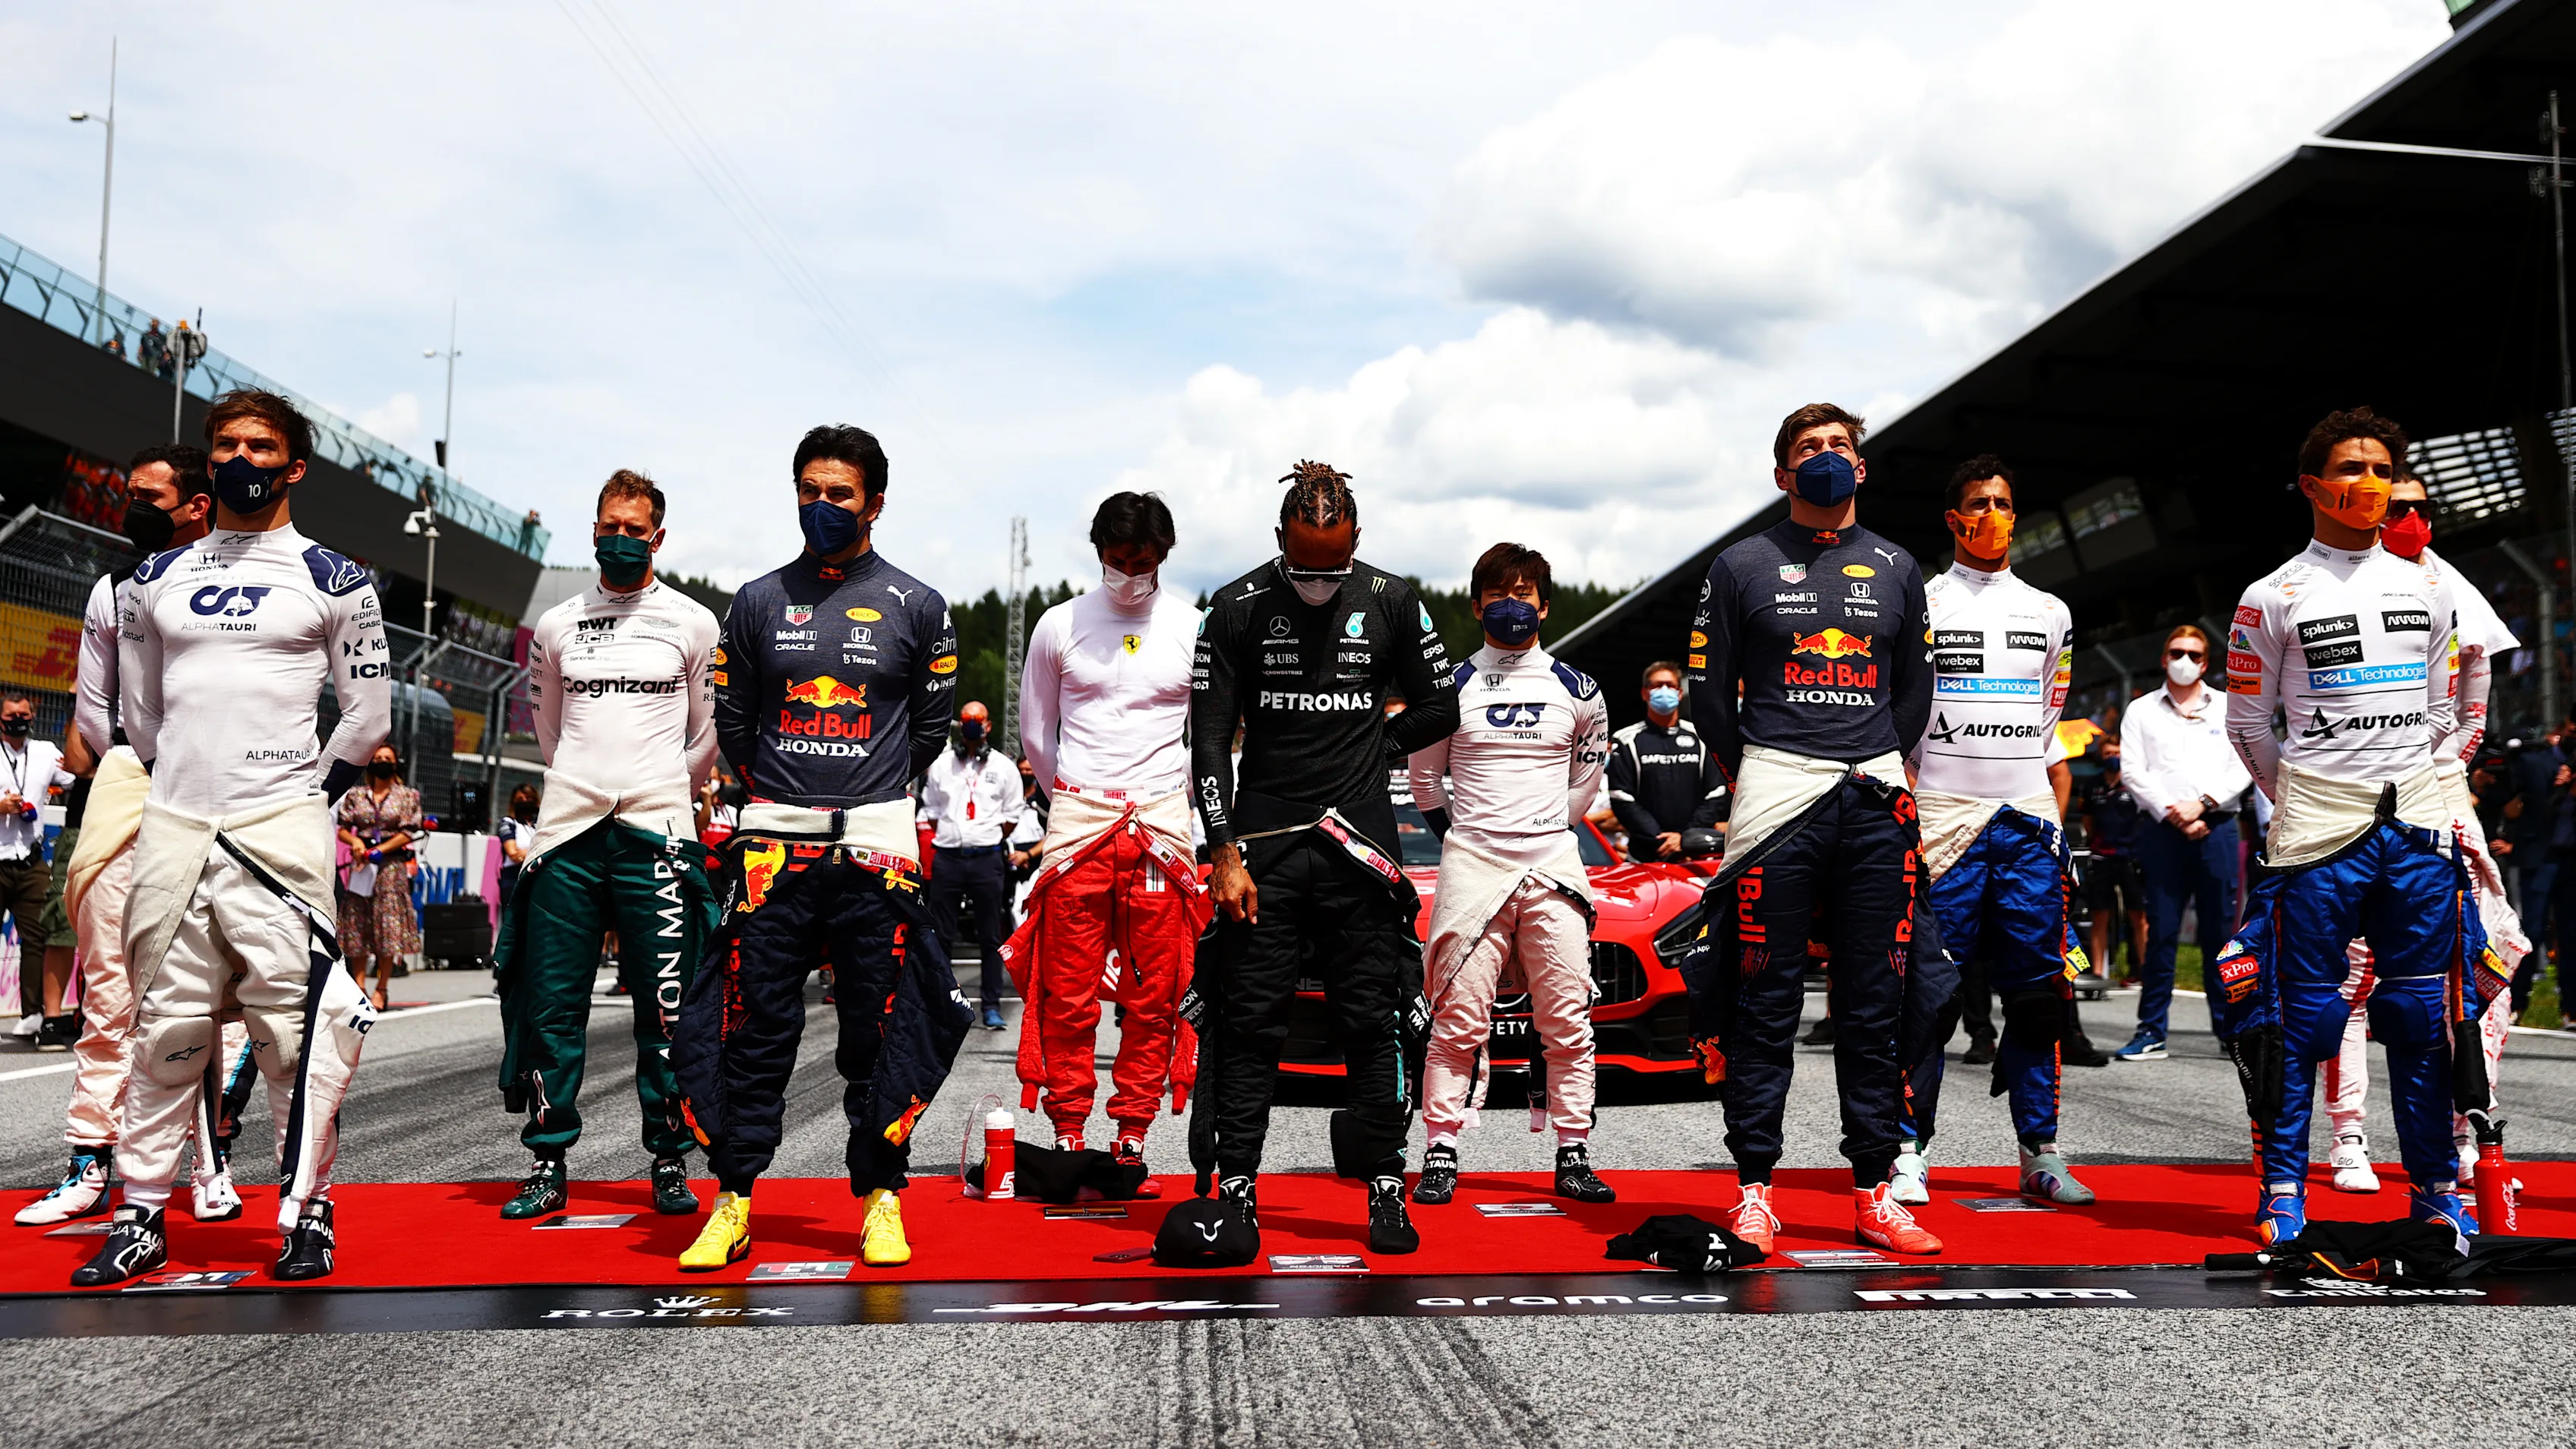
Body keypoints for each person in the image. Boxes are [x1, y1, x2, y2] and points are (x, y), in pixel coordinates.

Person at [74, 390, 390, 1286]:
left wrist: (299, 799)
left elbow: (365, 722)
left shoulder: (337, 579)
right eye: (225, 444)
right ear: (207, 464)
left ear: (292, 468)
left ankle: (306, 1213)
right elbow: (135, 717)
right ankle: (140, 1215)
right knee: (164, 1032)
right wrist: (183, 785)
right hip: (175, 825)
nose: (240, 457)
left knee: (293, 1036)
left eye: (260, 445)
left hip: (278, 835)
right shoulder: (149, 583)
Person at [670, 424, 969, 1272]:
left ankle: (880, 1196)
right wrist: (784, 792)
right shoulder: (758, 600)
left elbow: (929, 731)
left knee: (879, 1030)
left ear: (874, 501)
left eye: (839, 494)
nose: (821, 506)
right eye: (809, 490)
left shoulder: (919, 605)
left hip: (875, 846)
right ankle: (732, 1200)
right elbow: (732, 720)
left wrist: (862, 791)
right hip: (772, 846)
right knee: (753, 1027)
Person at [2213, 406, 2497, 1247]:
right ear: (2310, 486)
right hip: (2313, 835)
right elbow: (2246, 726)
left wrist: (2418, 788)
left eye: (2380, 469)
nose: (2367, 484)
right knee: (2299, 1022)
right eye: (2348, 469)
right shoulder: (2270, 595)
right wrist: (2304, 799)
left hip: (2413, 830)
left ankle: (2436, 1194)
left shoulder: (2431, 586)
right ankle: (2281, 1193)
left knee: (2416, 1017)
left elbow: (2446, 710)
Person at [1681, 402, 1941, 1256]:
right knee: (1761, 998)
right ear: (1780, 473)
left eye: (1838, 447)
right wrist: (1760, 764)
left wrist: (1868, 754)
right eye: (1807, 449)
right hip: (1775, 790)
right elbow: (1709, 694)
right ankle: (1753, 1185)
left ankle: (1874, 1190)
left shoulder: (1898, 567)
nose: (1825, 458)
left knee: (1876, 1004)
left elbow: (1912, 694)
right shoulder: (1738, 565)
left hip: (1871, 791)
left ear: (1860, 469)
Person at [1188, 460, 1459, 1255]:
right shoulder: (1234, 607)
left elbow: (1441, 701)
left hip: (1360, 854)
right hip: (1263, 857)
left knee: (1371, 1026)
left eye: (1332, 567)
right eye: (1303, 566)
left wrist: (1378, 742)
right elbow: (1206, 741)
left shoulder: (1390, 599)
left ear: (1358, 541)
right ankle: (1237, 1188)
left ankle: (1384, 1187)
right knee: (1249, 1027)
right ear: (1279, 541)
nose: (1317, 581)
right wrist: (1221, 851)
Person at [18, 445, 248, 1226]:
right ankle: (89, 1164)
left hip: (214, 796)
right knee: (109, 995)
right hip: (127, 795)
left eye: (150, 495)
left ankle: (208, 1167)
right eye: (130, 493)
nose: (133, 506)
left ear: (196, 506)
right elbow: (91, 709)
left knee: (200, 996)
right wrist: (135, 756)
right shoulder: (112, 588)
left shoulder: (239, 583)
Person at [492, 469, 721, 1220]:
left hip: (656, 832)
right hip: (568, 833)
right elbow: (547, 734)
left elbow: (706, 736)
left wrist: (655, 785)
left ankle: (666, 1161)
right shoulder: (557, 626)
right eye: (608, 526)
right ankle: (548, 1160)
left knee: (666, 1006)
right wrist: (593, 786)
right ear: (592, 530)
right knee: (552, 1005)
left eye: (634, 528)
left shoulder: (692, 623)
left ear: (658, 537)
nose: (619, 538)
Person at [2316, 471, 2527, 1194]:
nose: (2406, 516)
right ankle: (2349, 1139)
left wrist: (2437, 779)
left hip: (2438, 801)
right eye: (2394, 505)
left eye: (2418, 507)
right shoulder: (2321, 587)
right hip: (2346, 804)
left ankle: (2469, 1127)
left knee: (2484, 966)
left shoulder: (2450, 589)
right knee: (2349, 975)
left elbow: (2473, 710)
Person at [1894, 455, 2091, 1208]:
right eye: (1976, 503)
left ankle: (2038, 1152)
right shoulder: (1919, 605)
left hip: (2026, 823)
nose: (1991, 515)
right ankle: (1907, 1149)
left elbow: (2047, 718)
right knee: (1930, 996)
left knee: (2038, 997)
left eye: (2003, 502)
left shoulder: (2050, 612)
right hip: (1942, 821)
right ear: (1952, 519)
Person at [1004, 491, 1208, 1166]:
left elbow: (1206, 734)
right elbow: (1036, 733)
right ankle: (1067, 1127)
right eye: (1117, 560)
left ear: (1163, 557)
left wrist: (1154, 793)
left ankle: (1131, 1133)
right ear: (1098, 554)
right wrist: (1084, 790)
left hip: (1159, 827)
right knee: (1068, 989)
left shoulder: (1193, 627)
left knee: (1155, 993)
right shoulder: (1058, 625)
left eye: (1142, 561)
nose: (1129, 572)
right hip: (1081, 825)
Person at [1407, 542, 1613, 1205]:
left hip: (1552, 863)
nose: (1512, 605)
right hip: (1472, 865)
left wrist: (1542, 830)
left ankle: (1572, 1152)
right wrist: (1468, 842)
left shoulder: (1580, 690)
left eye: (1524, 594)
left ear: (1545, 606)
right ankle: (1441, 1149)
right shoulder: (1448, 687)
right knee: (1457, 1020)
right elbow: (1424, 782)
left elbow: (1585, 785)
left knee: (1569, 1019)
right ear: (1476, 605)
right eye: (1499, 593)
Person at [2113, 623, 2251, 1061]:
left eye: (2194, 654)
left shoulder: (2229, 707)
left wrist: (2204, 804)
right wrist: (2177, 812)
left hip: (2218, 828)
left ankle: (2231, 1032)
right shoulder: (2141, 710)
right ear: (2163, 657)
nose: (2184, 661)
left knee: (2222, 937)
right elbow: (2134, 772)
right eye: (2177, 652)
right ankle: (2151, 1031)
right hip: (2162, 831)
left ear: (2206, 662)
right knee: (2162, 934)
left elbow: (2244, 763)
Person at [918, 700, 1024, 1031]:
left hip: (987, 858)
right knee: (942, 935)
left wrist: (984, 837)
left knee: (991, 936)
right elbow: (932, 812)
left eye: (977, 719)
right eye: (966, 720)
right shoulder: (941, 766)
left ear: (989, 725)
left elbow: (1012, 815)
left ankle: (991, 1006)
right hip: (949, 858)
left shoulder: (1005, 767)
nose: (972, 725)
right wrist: (954, 837)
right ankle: (944, 1004)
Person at [0, 693, 75, 1040]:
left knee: (37, 937)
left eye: (25, 714)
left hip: (30, 859)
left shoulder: (45, 751)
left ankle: (32, 1014)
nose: (19, 720)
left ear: (34, 715)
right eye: (12, 715)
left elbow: (75, 774)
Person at [1606, 661, 1728, 861]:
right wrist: (1661, 839)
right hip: (1644, 856)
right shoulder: (1626, 739)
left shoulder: (1702, 736)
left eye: (1670, 686)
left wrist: (1685, 838)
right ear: (1645, 693)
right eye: (1656, 685)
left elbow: (1716, 792)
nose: (1664, 690)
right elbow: (1622, 797)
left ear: (1680, 693)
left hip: (1695, 855)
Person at [334, 744, 422, 1012]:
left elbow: (409, 832)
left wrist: (379, 851)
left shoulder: (407, 796)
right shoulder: (356, 795)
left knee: (388, 926)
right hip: (361, 865)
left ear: (397, 763)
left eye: (388, 758)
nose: (382, 762)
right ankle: (358, 987)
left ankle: (382, 987)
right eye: (378, 758)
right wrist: (356, 844)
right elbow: (342, 828)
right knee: (357, 923)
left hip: (390, 866)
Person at [2501, 717, 2573, 1022]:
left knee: (2571, 934)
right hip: (2541, 857)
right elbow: (2512, 806)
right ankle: (2515, 1002)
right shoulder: (2535, 762)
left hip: (2571, 859)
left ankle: (2571, 1008)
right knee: (2532, 928)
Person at [2079, 735, 2148, 989]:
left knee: (2138, 916)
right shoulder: (2091, 786)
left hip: (2131, 857)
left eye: (2117, 753)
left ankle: (2144, 969)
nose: (2113, 758)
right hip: (2101, 857)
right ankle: (2098, 971)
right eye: (2108, 754)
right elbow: (2087, 820)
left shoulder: (2134, 784)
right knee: (2100, 914)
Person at [496, 784, 539, 903]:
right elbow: (514, 855)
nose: (525, 802)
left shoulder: (540, 824)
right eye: (520, 799)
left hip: (537, 878)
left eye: (529, 799)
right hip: (513, 879)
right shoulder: (508, 823)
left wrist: (525, 852)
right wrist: (537, 852)